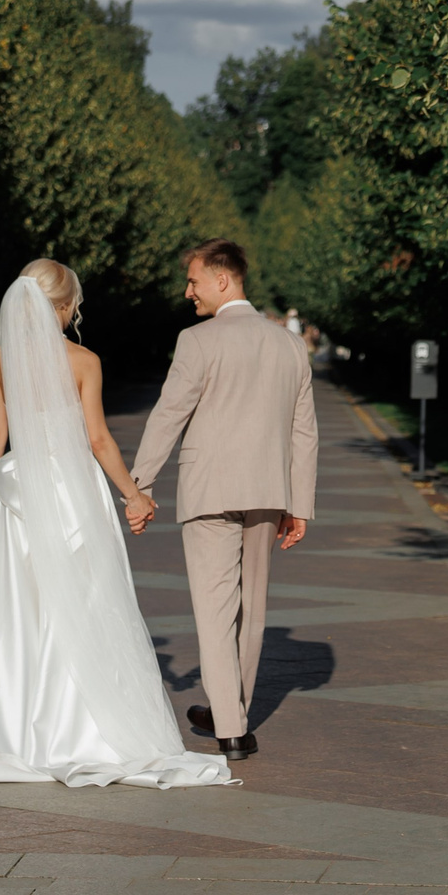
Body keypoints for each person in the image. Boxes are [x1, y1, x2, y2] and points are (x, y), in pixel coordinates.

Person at [0, 258, 234, 790]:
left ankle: (17, 729)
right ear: (59, 306)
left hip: (19, 494)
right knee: (84, 604)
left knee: (21, 610)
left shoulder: (2, 359)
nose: (76, 310)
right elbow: (97, 440)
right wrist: (135, 496)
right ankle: (78, 724)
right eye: (73, 303)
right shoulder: (83, 361)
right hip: (71, 493)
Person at [130, 237, 318, 760]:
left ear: (222, 279)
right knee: (250, 609)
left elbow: (169, 413)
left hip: (209, 490)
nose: (187, 292)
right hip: (267, 493)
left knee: (215, 609)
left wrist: (139, 484)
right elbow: (304, 432)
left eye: (192, 280)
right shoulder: (289, 345)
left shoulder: (197, 340)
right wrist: (299, 503)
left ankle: (231, 729)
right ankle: (228, 711)